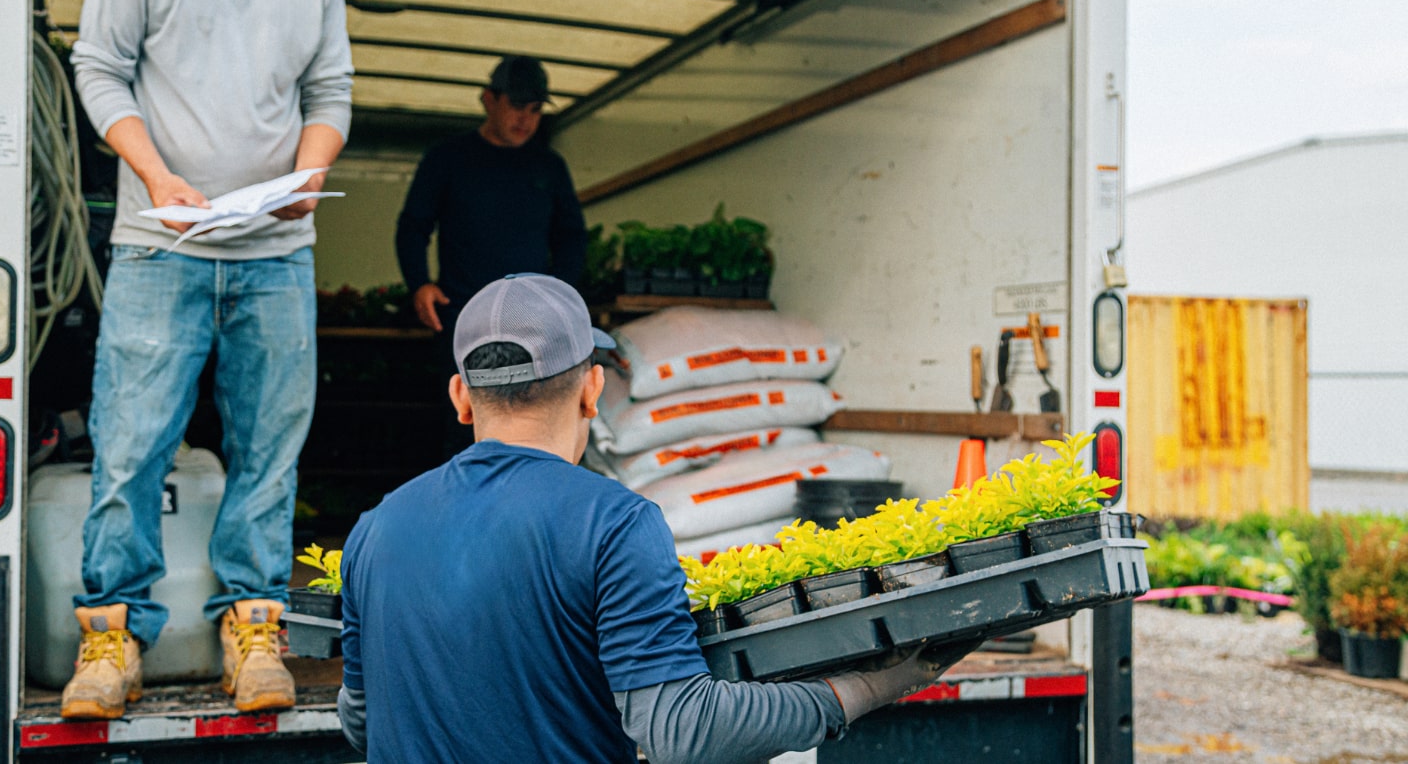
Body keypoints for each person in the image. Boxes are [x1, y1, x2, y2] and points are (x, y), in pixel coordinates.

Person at [336, 274, 975, 762]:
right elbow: (680, 731)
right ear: (591, 388)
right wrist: (868, 688)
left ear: (460, 398)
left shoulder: (375, 529)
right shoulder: (612, 524)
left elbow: (361, 721)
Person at [58, 0, 385, 721]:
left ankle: (254, 630)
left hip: (278, 253)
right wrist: (158, 179)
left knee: (270, 456)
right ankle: (111, 638)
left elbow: (330, 92)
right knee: (130, 449)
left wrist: (309, 173)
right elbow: (98, 70)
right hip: (159, 248)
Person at [393, 56, 589, 370]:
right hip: (462, 318)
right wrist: (419, 284)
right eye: (517, 106)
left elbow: (572, 237)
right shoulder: (446, 159)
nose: (526, 119)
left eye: (535, 109)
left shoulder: (550, 166)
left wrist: (558, 296)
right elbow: (413, 227)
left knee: (529, 414)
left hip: (533, 322)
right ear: (489, 100)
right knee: (464, 415)